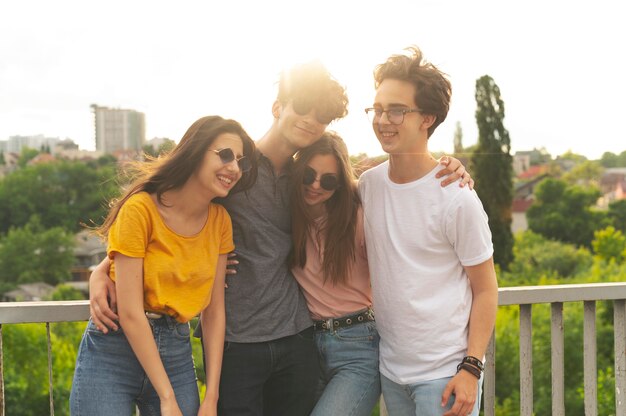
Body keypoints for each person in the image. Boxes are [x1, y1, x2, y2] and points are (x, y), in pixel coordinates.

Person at [88, 61, 472, 416]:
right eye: (302, 106)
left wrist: (449, 165)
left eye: (321, 116)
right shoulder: (230, 167)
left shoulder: (306, 180)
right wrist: (105, 269)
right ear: (277, 106)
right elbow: (168, 216)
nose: (310, 120)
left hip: (297, 338)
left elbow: (382, 190)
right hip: (236, 344)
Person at [70, 115, 257, 416]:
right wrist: (166, 397)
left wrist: (212, 396)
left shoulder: (220, 222)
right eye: (224, 155)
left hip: (175, 351)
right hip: (113, 349)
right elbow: (130, 312)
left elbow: (214, 311)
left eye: (239, 160)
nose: (233, 167)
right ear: (195, 152)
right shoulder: (140, 209)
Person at [358, 46, 499, 416]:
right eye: (377, 108)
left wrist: (472, 368)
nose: (383, 119)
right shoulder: (368, 186)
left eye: (397, 110)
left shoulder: (457, 199)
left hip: (446, 375)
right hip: (391, 371)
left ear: (427, 118)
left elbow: (485, 289)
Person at [289, 131, 378, 416]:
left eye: (328, 180)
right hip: (307, 348)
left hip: (358, 347)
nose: (315, 185)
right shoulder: (288, 216)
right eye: (308, 175)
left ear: (340, 184)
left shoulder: (358, 219)